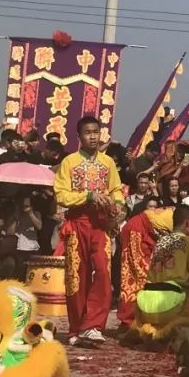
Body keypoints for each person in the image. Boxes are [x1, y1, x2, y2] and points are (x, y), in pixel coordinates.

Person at [54, 116, 124, 346]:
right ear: (79, 136)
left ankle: (93, 325)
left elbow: (116, 189)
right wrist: (89, 196)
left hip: (100, 226)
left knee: (103, 271)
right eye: (88, 132)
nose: (93, 136)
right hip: (77, 224)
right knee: (77, 277)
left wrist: (118, 205)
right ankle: (76, 328)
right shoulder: (69, 162)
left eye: (96, 132)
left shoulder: (108, 163)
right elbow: (62, 195)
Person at [117, 199, 189, 329]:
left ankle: (140, 319)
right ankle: (129, 321)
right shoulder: (184, 224)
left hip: (147, 234)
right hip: (138, 230)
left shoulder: (174, 228)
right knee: (137, 277)